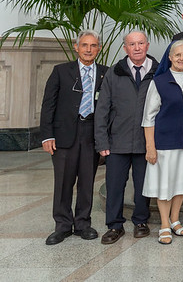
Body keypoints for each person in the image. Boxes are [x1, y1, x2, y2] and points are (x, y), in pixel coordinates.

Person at [40, 30, 108, 245]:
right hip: (64, 134)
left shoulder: (107, 73)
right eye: (85, 45)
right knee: (63, 181)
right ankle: (62, 225)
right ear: (76, 47)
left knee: (87, 180)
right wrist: (47, 135)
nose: (89, 49)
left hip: (91, 133)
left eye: (93, 45)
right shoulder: (61, 71)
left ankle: (82, 223)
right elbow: (48, 104)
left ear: (99, 49)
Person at [95, 31, 158, 244]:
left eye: (141, 43)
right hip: (117, 142)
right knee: (114, 185)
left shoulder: (158, 72)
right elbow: (102, 109)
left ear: (147, 45)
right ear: (125, 48)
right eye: (132, 44)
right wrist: (102, 142)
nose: (137, 47)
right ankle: (114, 225)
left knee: (143, 184)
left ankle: (141, 221)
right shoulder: (114, 73)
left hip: (146, 142)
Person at [142, 40, 183, 245]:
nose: (181, 58)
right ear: (169, 57)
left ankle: (175, 219)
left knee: (182, 183)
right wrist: (150, 147)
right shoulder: (159, 82)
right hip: (165, 144)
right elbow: (148, 118)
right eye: (177, 55)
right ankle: (164, 224)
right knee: (165, 185)